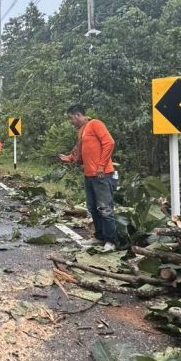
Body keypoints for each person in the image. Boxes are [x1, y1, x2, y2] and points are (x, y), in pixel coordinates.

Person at [58, 104, 118, 251]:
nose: (71, 122)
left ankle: (111, 241)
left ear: (78, 115)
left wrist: (101, 165)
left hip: (102, 175)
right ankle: (99, 237)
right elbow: (79, 151)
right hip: (89, 175)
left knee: (105, 208)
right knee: (93, 208)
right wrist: (69, 158)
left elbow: (109, 143)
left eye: (71, 118)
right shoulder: (82, 131)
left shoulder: (95, 124)